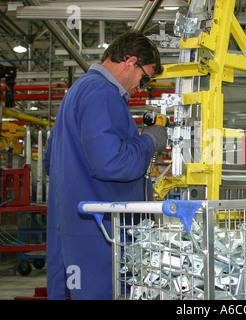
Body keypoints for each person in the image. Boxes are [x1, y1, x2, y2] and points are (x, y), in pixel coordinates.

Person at [43, 30, 167, 300]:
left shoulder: (79, 90)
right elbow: (111, 163)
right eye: (144, 77)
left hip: (77, 231)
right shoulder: (103, 93)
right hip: (101, 236)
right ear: (129, 62)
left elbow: (50, 161)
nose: (141, 86)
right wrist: (149, 142)